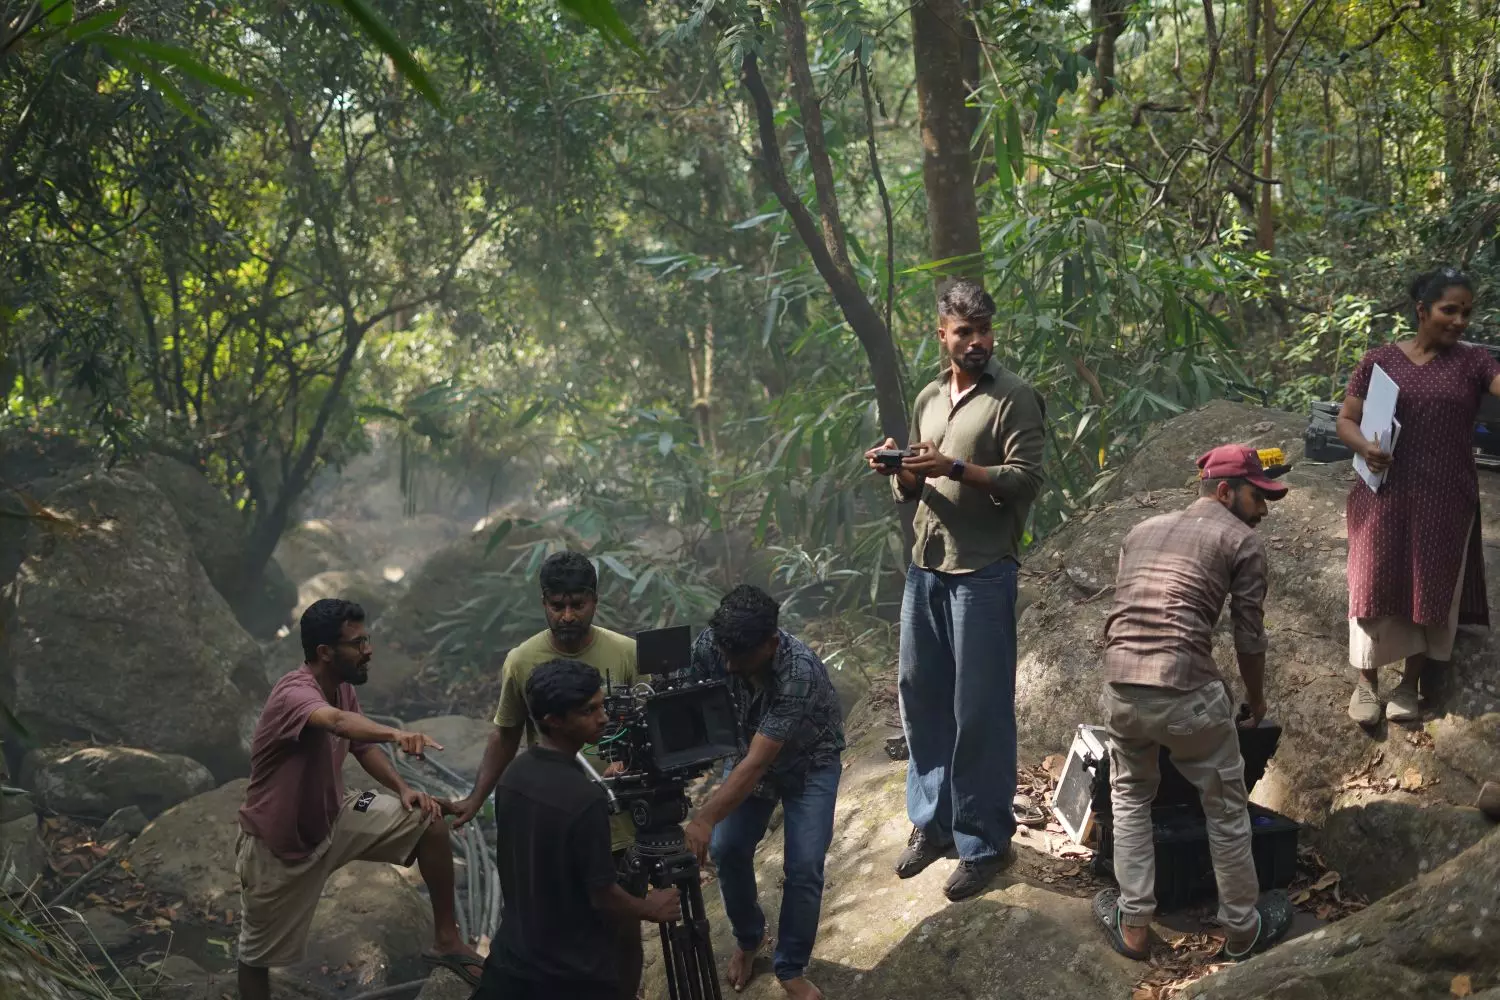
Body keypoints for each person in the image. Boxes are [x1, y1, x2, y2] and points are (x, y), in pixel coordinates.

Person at [864, 278, 1046, 901]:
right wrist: (903, 469)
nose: (976, 342)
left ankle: (984, 843)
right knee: (922, 697)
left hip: (983, 572)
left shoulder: (1013, 398)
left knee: (980, 712)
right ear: (941, 334)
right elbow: (915, 487)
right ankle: (933, 824)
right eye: (963, 331)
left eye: (984, 330)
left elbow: (1024, 480)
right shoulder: (928, 398)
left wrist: (954, 467)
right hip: (927, 567)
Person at [1091, 445, 1294, 963]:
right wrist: (1254, 699)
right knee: (1225, 808)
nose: (1264, 509)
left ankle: (1134, 922)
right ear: (1224, 491)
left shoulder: (1140, 532)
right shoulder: (1243, 541)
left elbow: (1128, 611)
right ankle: (1243, 931)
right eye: (1258, 496)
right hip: (1184, 691)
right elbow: (1249, 638)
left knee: (1131, 795)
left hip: (1120, 687)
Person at [236, 599, 482, 1000]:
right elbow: (334, 721)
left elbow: (358, 745)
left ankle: (445, 941)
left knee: (428, 818)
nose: (368, 650)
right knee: (256, 957)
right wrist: (396, 734)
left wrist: (403, 789)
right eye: (357, 643)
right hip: (280, 846)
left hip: (336, 816)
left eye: (367, 639)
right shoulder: (294, 693)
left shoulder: (343, 686)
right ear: (324, 652)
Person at [445, 550, 644, 999]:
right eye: (558, 605)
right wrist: (476, 799)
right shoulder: (521, 660)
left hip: (619, 821)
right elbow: (506, 734)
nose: (568, 615)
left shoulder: (627, 653)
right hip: (551, 821)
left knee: (624, 932)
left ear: (594, 600)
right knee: (550, 927)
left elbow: (650, 726)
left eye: (578, 604)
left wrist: (629, 766)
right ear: (543, 603)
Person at [1339, 266, 1500, 726]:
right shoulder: (1379, 361)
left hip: (1445, 496)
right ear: (1422, 310)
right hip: (1383, 494)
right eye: (1450, 310)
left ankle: (1409, 684)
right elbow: (1346, 420)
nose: (1460, 321)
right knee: (1372, 583)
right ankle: (1366, 683)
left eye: (1466, 312)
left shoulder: (1475, 362)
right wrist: (1365, 447)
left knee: (1428, 589)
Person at [471, 659, 682, 1000]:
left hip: (513, 961)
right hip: (571, 975)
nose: (603, 717)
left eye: (601, 705)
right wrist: (650, 908)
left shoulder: (515, 774)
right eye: (588, 711)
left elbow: (548, 826)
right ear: (553, 720)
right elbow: (602, 897)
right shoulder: (583, 800)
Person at [682, 586, 844, 1000]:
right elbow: (682, 705)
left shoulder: (798, 671)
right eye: (725, 653)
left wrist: (703, 817)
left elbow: (757, 763)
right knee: (727, 848)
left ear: (771, 643)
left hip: (809, 764)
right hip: (747, 752)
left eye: (741, 657)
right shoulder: (711, 649)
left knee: (805, 865)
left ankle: (790, 966)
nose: (730, 665)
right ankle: (749, 937)